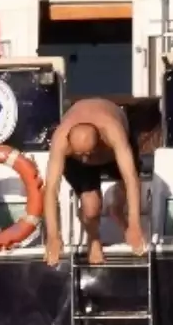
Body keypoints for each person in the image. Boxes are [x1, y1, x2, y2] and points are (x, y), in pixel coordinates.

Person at [43, 98, 146, 267]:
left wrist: (134, 224)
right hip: (83, 150)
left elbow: (131, 179)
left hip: (111, 152)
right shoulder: (61, 138)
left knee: (128, 185)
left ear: (100, 138)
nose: (86, 159)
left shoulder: (113, 131)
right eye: (80, 154)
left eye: (89, 153)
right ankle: (94, 239)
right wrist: (53, 235)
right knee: (91, 208)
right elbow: (51, 189)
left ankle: (117, 208)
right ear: (69, 143)